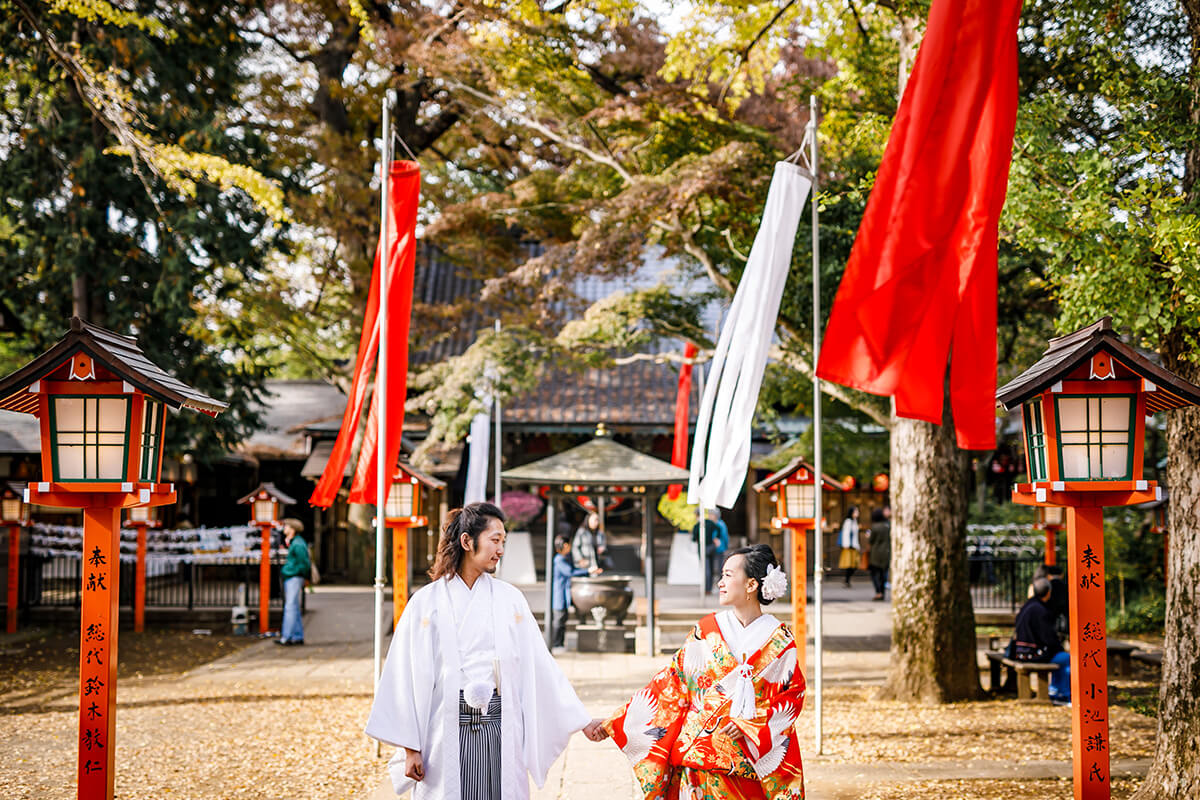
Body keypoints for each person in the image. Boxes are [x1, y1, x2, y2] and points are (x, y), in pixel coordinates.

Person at [365, 502, 604, 799]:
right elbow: (405, 676)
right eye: (494, 540)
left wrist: (581, 721)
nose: (501, 549)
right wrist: (411, 748)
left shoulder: (510, 600)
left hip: (500, 726)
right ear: (467, 541)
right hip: (444, 730)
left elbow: (540, 665)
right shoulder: (425, 604)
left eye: (503, 541)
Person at [588, 544, 806, 798]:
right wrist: (612, 723)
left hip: (752, 765)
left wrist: (750, 723)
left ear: (751, 585)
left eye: (728, 575)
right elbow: (671, 685)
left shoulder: (780, 640)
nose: (720, 583)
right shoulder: (707, 629)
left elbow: (792, 696)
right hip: (700, 763)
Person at [1006, 576, 1071, 705]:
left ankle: (1056, 690)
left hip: (1020, 651)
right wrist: (1058, 648)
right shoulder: (1041, 610)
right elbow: (1048, 638)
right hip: (1033, 654)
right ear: (1048, 593)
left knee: (1062, 658)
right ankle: (1061, 693)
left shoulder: (1027, 606)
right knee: (1066, 658)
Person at [551, 535, 591, 652]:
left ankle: (560, 643)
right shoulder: (559, 559)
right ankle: (556, 644)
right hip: (559, 594)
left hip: (563, 593)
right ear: (565, 545)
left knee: (562, 619)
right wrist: (587, 571)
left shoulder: (564, 558)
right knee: (559, 620)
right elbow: (570, 572)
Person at [277, 518, 310, 646]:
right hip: (294, 575)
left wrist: (303, 575)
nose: (284, 529)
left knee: (290, 607)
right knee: (294, 607)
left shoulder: (298, 544)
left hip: (294, 576)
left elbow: (304, 562)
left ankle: (287, 636)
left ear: (292, 529)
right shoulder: (295, 542)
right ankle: (297, 635)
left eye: (286, 527)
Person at [692, 508, 730, 594]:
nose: (709, 516)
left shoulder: (720, 524)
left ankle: (719, 587)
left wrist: (721, 544)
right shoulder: (711, 523)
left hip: (719, 549)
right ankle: (710, 588)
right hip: (714, 549)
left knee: (719, 569)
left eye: (711, 514)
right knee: (712, 569)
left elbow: (724, 537)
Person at [867, 507, 891, 601]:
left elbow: (871, 540)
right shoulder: (888, 525)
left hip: (876, 553)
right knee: (883, 574)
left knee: (875, 574)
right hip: (886, 552)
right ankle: (882, 592)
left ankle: (878, 592)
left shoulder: (875, 527)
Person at [837, 505, 861, 587]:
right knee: (849, 564)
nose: (858, 513)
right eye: (856, 511)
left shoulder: (854, 521)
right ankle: (847, 580)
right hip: (849, 546)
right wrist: (846, 544)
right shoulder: (848, 522)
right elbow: (846, 534)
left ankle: (847, 580)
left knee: (854, 564)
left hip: (854, 545)